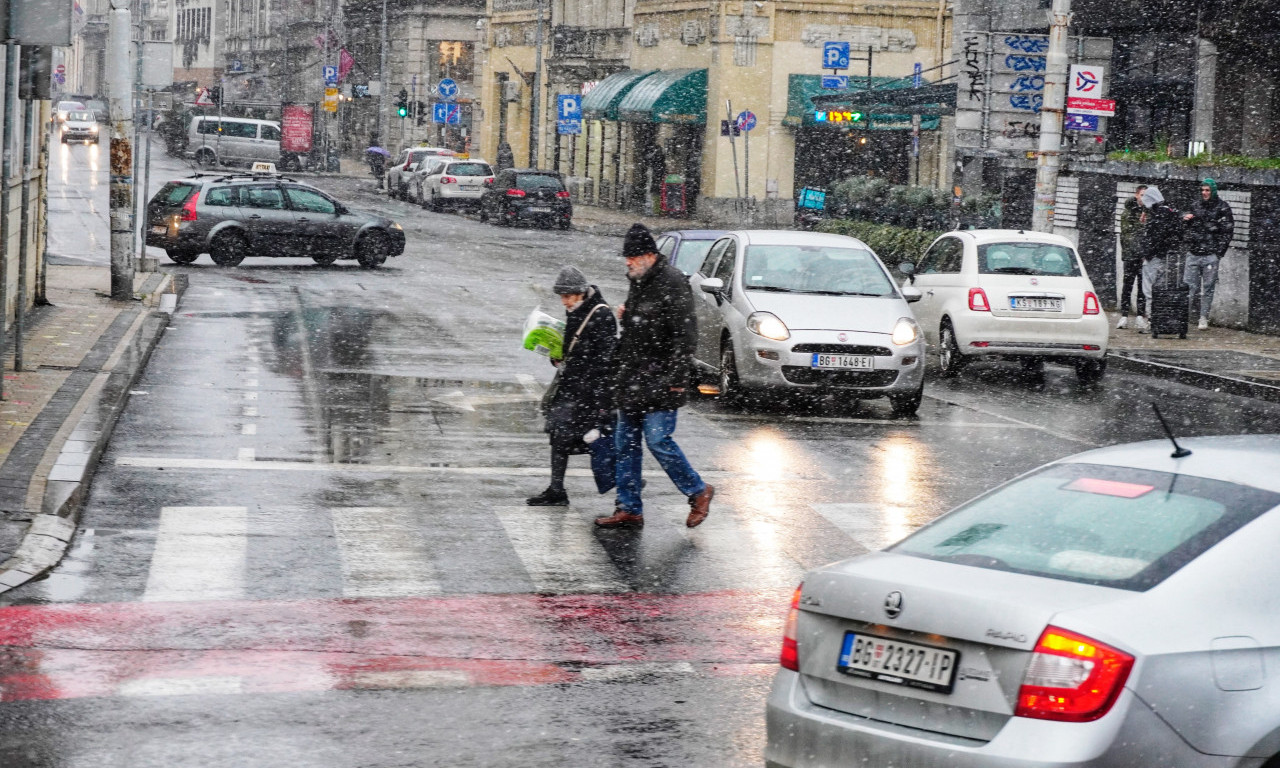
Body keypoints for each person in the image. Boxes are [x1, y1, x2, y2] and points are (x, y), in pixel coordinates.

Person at [595, 224, 715, 530]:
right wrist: (627, 319)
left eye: (632, 257)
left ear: (649, 255)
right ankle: (629, 507)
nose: (627, 262)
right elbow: (640, 326)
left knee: (659, 440)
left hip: (661, 379)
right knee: (625, 445)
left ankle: (698, 491)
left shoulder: (673, 282)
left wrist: (675, 378)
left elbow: (685, 336)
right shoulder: (639, 280)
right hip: (633, 378)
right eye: (626, 258)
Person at [527, 266, 619, 506]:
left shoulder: (601, 315)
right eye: (561, 296)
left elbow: (605, 361)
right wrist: (557, 358)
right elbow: (572, 348)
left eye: (568, 296)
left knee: (597, 442)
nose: (564, 301)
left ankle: (626, 486)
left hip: (589, 393)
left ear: (580, 292)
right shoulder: (577, 310)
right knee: (560, 436)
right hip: (572, 389)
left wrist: (599, 399)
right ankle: (557, 490)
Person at [1181, 177, 1235, 330]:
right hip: (1194, 252)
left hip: (1210, 254)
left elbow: (1228, 231)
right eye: (1203, 190)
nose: (1204, 193)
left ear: (1213, 191)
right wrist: (1185, 221)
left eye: (1207, 190)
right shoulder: (1195, 205)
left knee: (1208, 287)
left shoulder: (1222, 207)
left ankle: (1203, 317)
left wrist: (1218, 252)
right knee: (1189, 286)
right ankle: (1185, 316)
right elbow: (1185, 224)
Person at [1137, 185, 1183, 334]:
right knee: (1161, 289)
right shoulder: (1170, 212)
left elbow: (1154, 238)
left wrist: (1147, 252)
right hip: (1166, 258)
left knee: (1149, 290)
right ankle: (1158, 320)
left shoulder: (1158, 216)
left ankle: (1151, 320)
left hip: (1154, 258)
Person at [1117, 185, 1147, 330]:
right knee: (1127, 286)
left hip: (1143, 257)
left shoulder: (1149, 212)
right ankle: (1124, 315)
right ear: (1137, 195)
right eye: (1142, 195)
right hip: (1130, 256)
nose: (1144, 198)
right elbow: (1129, 235)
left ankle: (1140, 316)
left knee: (1143, 287)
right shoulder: (1128, 212)